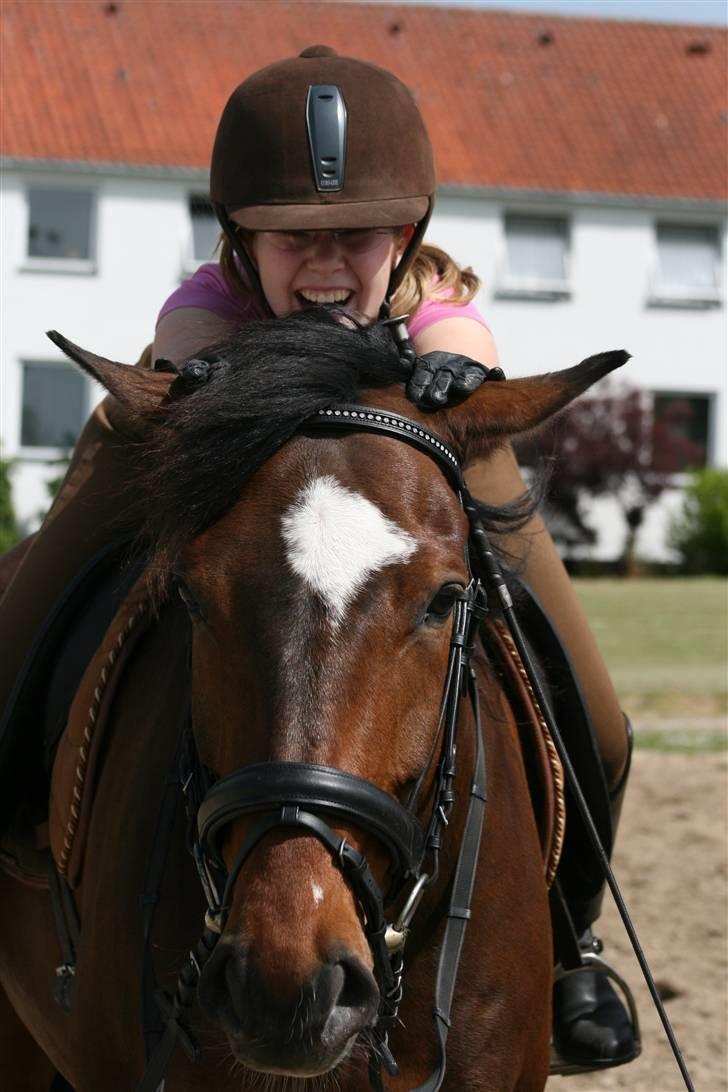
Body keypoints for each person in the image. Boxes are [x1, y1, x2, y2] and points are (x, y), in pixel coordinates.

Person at [0, 44, 636, 1070]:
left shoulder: (433, 300)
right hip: (190, 441)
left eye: (357, 235)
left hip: (418, 448)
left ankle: (565, 949)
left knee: (596, 718)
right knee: (24, 613)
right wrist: (194, 382)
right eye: (292, 240)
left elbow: (468, 348)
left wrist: (456, 378)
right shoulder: (207, 302)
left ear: (411, 234)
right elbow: (181, 347)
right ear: (237, 240)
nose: (330, 264)